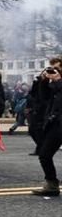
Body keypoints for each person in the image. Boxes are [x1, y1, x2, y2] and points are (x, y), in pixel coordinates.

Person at [32, 64, 62, 196]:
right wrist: (43, 82)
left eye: (56, 69)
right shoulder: (55, 85)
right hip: (55, 124)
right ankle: (52, 183)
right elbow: (44, 98)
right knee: (44, 154)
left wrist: (58, 80)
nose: (53, 71)